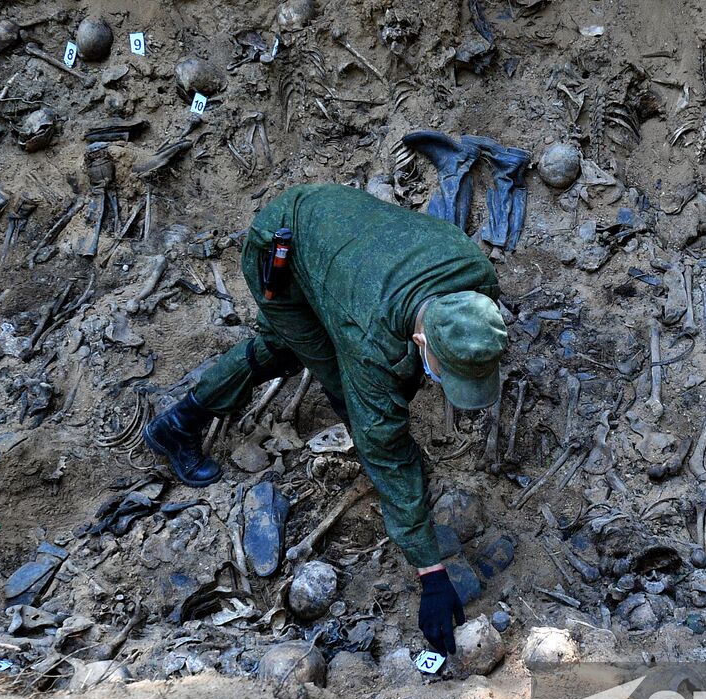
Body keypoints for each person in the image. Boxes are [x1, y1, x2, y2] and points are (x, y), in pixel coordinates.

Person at [142, 184, 508, 656]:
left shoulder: (475, 278)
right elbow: (382, 440)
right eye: (445, 371)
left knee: (304, 349)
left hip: (338, 224)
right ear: (420, 343)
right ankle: (177, 425)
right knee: (318, 363)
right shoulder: (374, 338)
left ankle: (181, 419)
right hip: (282, 249)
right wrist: (430, 573)